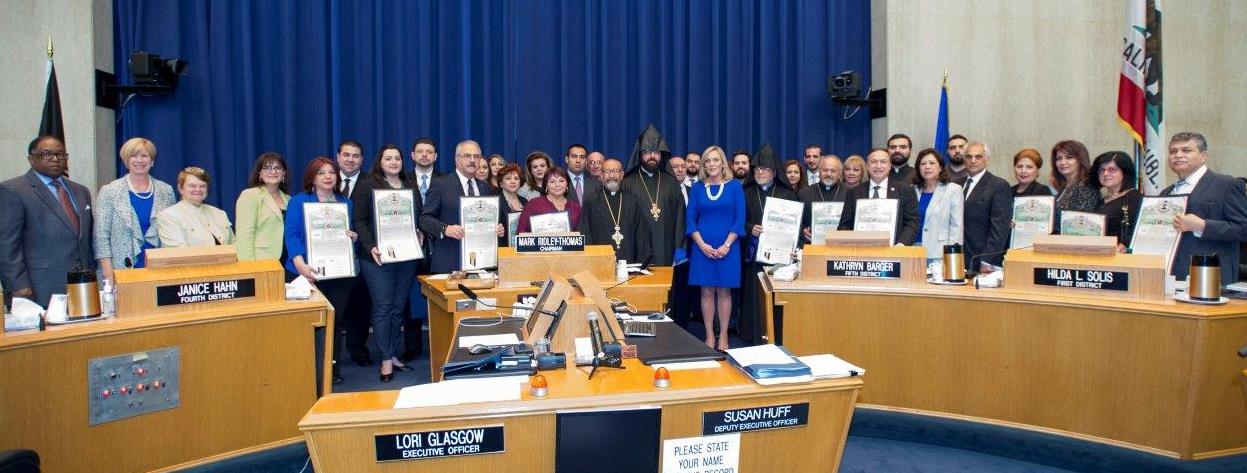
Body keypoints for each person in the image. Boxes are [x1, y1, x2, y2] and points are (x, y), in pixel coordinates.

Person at [285, 157, 359, 385]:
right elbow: (292, 235)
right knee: (309, 322)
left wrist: (352, 239)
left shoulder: (345, 203)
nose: (328, 177)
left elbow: (349, 235)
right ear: (312, 178)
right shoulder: (299, 202)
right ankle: (305, 368)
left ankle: (332, 368)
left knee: (335, 321)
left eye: (331, 173)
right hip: (306, 271)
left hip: (338, 273)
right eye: (321, 173)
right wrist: (300, 264)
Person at [351, 144, 420, 382]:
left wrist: (418, 232)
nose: (393, 162)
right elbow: (359, 220)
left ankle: (392, 353)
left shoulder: (410, 186)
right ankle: (386, 360)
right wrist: (371, 247)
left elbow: (417, 216)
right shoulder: (367, 184)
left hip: (406, 256)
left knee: (398, 308)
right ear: (380, 161)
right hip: (377, 258)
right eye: (388, 158)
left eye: (397, 158)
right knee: (383, 308)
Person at [0, 136, 95, 306]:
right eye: (47, 154)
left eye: (61, 155)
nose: (55, 159)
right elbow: (7, 244)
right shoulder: (13, 190)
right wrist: (18, 285)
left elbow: (87, 239)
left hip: (82, 287)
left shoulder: (81, 191)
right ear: (31, 159)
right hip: (39, 288)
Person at [1161, 132, 1247, 284]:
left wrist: (1203, 226)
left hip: (1211, 276)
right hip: (1170, 274)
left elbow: (1243, 228)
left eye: (1186, 150)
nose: (1178, 155)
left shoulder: (1227, 184)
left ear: (1203, 156)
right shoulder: (1166, 193)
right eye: (1173, 151)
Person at [685, 145, 745, 351]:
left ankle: (724, 336)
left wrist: (727, 245)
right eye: (707, 161)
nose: (711, 164)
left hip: (728, 248)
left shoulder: (735, 186)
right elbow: (690, 220)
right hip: (702, 248)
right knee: (707, 292)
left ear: (722, 163)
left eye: (715, 160)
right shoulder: (697, 188)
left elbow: (740, 219)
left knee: (724, 292)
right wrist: (701, 245)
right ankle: (710, 335)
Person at [94, 137, 176, 281]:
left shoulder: (166, 190)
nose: (139, 160)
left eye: (144, 156)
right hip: (120, 270)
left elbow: (173, 231)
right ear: (126, 160)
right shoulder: (109, 191)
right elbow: (101, 237)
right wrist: (108, 273)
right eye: (134, 155)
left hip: (159, 269)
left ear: (152, 161)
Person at [418, 140, 505, 274]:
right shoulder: (441, 185)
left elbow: (489, 219)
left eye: (476, 156)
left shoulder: (486, 188)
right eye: (467, 156)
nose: (472, 160)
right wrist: (445, 229)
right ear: (457, 159)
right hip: (450, 263)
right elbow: (424, 219)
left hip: (482, 264)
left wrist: (498, 228)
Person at [741, 144, 798, 344]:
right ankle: (753, 335)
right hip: (754, 254)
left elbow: (795, 227)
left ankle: (778, 335)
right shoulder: (745, 192)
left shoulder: (787, 194)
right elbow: (738, 221)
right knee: (753, 297)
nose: (759, 172)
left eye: (764, 169)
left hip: (780, 258)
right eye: (756, 169)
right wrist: (750, 228)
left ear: (774, 172)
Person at [622, 124, 685, 266]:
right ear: (639, 154)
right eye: (647, 152)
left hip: (667, 248)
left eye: (656, 152)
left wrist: (680, 249)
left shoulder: (671, 182)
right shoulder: (627, 183)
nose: (652, 156)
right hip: (637, 249)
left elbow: (680, 218)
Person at [336, 139, 373, 368]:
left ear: (362, 159)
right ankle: (332, 359)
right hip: (332, 258)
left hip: (362, 255)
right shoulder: (325, 180)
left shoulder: (371, 183)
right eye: (347, 155)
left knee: (360, 307)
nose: (351, 159)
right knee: (337, 309)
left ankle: (359, 350)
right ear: (338, 156)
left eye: (356, 156)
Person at [404, 137, 440, 362]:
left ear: (436, 156)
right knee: (409, 296)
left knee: (438, 293)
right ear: (412, 155)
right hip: (408, 244)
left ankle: (439, 342)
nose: (425, 155)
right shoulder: (402, 180)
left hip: (439, 244)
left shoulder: (446, 180)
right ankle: (411, 346)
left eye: (429, 152)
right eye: (420, 151)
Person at [838, 148, 920, 246]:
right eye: (874, 162)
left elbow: (912, 222)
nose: (878, 166)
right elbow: (844, 224)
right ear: (867, 166)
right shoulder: (853, 192)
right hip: (860, 251)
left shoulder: (906, 191)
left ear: (890, 166)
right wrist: (851, 243)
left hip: (895, 252)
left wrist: (901, 245)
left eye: (883, 162)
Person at [578, 158, 653, 264]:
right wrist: (590, 261)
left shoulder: (633, 202)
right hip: (600, 264)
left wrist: (641, 263)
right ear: (601, 175)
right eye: (607, 171)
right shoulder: (591, 202)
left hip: (629, 263)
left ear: (622, 175)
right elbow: (585, 234)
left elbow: (641, 236)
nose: (612, 175)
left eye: (615, 171)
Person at [959, 142, 1014, 273]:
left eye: (978, 156)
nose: (973, 160)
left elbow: (1000, 227)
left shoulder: (998, 186)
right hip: (958, 257)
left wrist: (987, 259)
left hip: (983, 260)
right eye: (969, 156)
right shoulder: (956, 184)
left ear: (986, 159)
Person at [157, 167, 235, 248]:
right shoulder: (169, 216)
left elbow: (235, 245)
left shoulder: (219, 213)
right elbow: (179, 253)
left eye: (203, 186)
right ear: (180, 188)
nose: (198, 189)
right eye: (192, 186)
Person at [234, 152, 290, 261]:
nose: (273, 171)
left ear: (284, 173)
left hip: (287, 261)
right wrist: (250, 268)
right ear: (260, 173)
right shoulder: (250, 195)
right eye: (267, 168)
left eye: (277, 168)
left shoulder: (290, 199)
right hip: (262, 261)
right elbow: (244, 236)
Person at [912, 149, 964, 263]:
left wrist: (953, 256)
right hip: (912, 250)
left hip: (939, 253)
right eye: (923, 164)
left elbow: (957, 226)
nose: (927, 167)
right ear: (918, 168)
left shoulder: (953, 190)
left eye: (932, 163)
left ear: (940, 167)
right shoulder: (912, 190)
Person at [1092, 151, 1143, 252]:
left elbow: (1138, 228)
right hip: (1100, 254)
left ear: (1125, 172)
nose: (1105, 173)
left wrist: (1123, 245)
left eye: (1112, 170)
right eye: (1102, 170)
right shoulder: (1101, 200)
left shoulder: (1133, 197)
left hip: (1119, 258)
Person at [798, 155, 848, 243]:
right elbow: (798, 223)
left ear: (839, 173)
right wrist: (803, 232)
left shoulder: (849, 193)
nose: (828, 174)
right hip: (812, 247)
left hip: (841, 247)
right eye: (825, 170)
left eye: (833, 171)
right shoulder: (803, 194)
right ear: (819, 172)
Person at [1051, 140, 1102, 224]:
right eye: (1059, 158)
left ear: (1080, 160)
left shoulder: (1086, 187)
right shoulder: (1065, 186)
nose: (1063, 162)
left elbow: (1080, 225)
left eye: (1069, 157)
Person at [518, 167, 581, 233]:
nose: (557, 185)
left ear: (567, 184)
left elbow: (582, 234)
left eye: (561, 181)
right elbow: (521, 231)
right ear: (546, 185)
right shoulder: (533, 204)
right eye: (552, 181)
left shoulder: (576, 207)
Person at [496, 163, 529, 246]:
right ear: (501, 183)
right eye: (508, 178)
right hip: (502, 248)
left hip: (522, 247)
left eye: (516, 178)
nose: (513, 181)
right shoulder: (496, 202)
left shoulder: (525, 201)